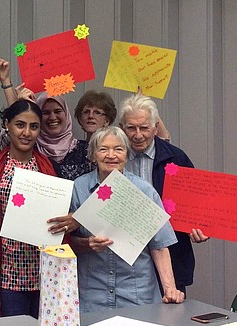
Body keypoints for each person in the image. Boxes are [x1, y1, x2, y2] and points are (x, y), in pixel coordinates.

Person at [69, 126, 185, 312]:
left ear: (127, 154)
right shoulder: (79, 188)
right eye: (103, 149)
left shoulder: (144, 191)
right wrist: (86, 243)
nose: (111, 155)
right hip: (92, 295)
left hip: (137, 293)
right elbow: (65, 241)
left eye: (118, 149)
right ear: (93, 155)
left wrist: (170, 289)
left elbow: (160, 245)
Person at [0, 99, 57, 319]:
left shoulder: (49, 167)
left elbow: (59, 216)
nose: (27, 132)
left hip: (44, 271)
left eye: (34, 126)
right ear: (6, 124)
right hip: (7, 272)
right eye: (20, 125)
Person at [118, 94, 208, 294]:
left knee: (171, 316)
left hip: (172, 255)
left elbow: (196, 204)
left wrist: (199, 226)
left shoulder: (176, 158)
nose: (138, 134)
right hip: (125, 259)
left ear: (156, 127)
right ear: (122, 127)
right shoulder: (113, 158)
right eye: (131, 128)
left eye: (144, 127)